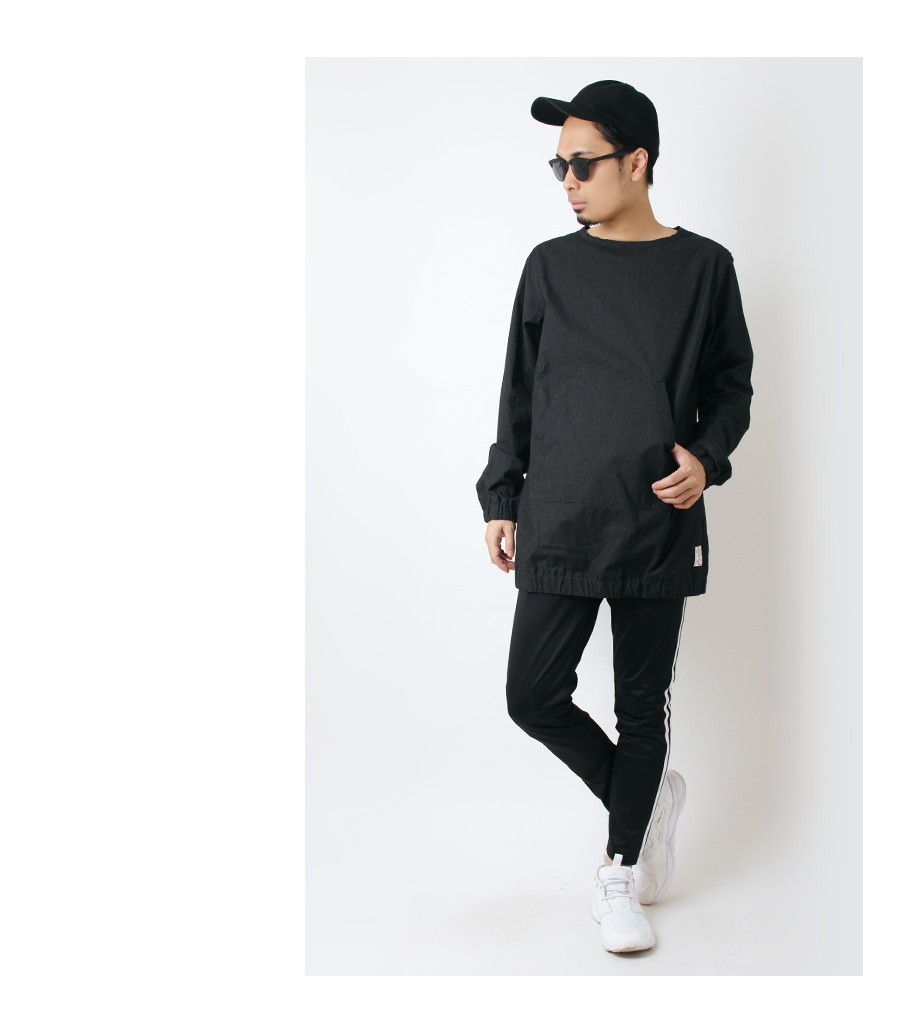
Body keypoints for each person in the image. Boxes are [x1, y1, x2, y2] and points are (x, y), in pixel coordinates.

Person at [475, 80, 754, 954]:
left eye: (583, 163)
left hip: (654, 518)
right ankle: (645, 795)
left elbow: (732, 386)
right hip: (560, 513)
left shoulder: (704, 267)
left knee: (641, 709)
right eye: (558, 166)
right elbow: (519, 392)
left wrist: (706, 458)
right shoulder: (549, 266)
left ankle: (619, 867)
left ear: (637, 162)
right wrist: (502, 494)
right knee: (532, 695)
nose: (567, 180)